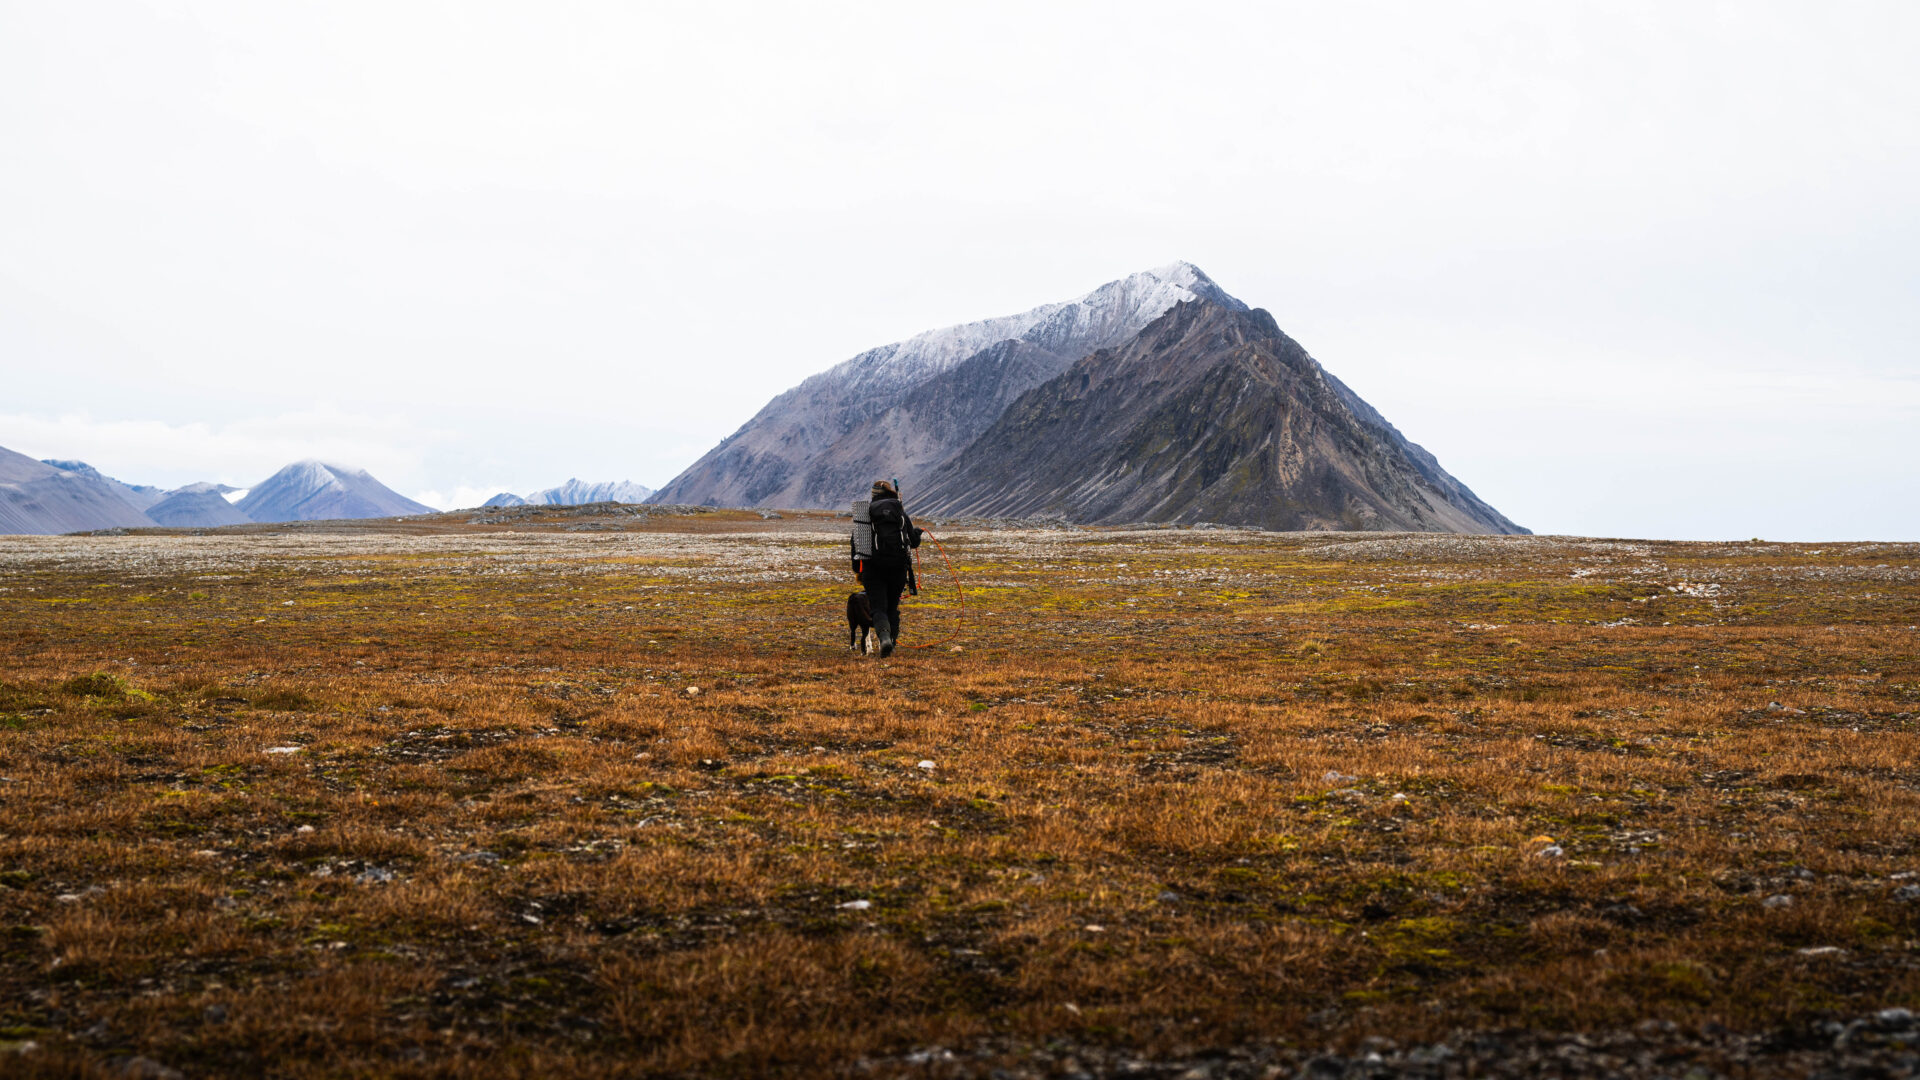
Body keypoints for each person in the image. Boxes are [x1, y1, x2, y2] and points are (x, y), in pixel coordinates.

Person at [852, 479, 921, 657]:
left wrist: (858, 571)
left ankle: (884, 639)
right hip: (898, 567)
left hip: (873, 569)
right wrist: (918, 533)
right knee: (892, 606)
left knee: (878, 607)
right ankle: (891, 644)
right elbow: (913, 542)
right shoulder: (899, 511)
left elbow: (856, 546)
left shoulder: (865, 513)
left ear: (873, 495)